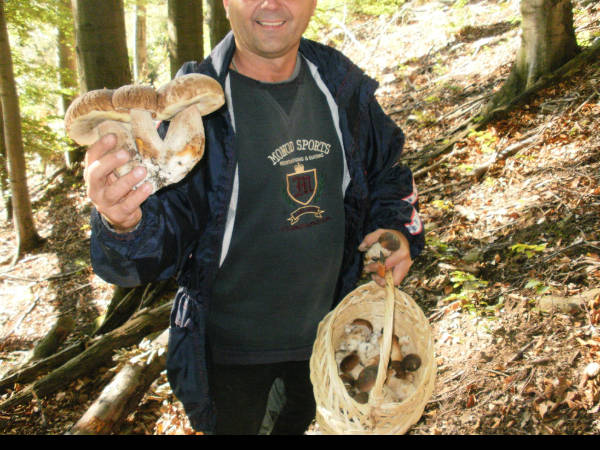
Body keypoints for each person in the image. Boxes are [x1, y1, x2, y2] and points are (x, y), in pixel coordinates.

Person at [84, 0, 424, 435]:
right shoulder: (185, 109)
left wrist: (394, 227)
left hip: (325, 338)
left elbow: (387, 172)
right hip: (231, 360)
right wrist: (122, 224)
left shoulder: (341, 87)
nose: (271, 2)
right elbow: (145, 260)